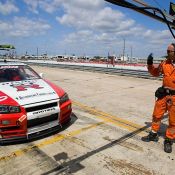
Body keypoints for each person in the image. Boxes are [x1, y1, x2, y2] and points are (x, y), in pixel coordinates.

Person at [142, 43, 175, 153]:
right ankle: (153, 134)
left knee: (173, 120)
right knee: (156, 115)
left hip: (174, 97)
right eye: (167, 51)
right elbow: (155, 73)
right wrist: (150, 64)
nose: (167, 53)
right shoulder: (164, 63)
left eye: (169, 51)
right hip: (163, 94)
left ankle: (169, 139)